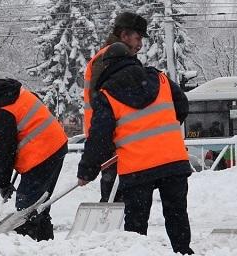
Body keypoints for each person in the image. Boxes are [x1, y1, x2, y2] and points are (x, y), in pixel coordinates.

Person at [77, 41, 194, 255]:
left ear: (108, 67)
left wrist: (87, 170)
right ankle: (183, 251)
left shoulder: (107, 95)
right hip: (173, 162)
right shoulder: (160, 78)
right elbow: (183, 106)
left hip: (137, 169)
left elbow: (99, 138)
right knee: (177, 214)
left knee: (136, 225)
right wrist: (162, 132)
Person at [0, 74, 67, 241]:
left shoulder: (2, 111)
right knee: (39, 206)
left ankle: (27, 245)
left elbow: (5, 150)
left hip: (42, 154)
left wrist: (3, 182)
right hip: (55, 145)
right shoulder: (14, 93)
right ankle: (46, 245)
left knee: (25, 210)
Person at [83, 12, 147, 202]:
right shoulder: (111, 60)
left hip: (111, 135)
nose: (140, 44)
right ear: (125, 35)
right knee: (116, 194)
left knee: (117, 191)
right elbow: (103, 101)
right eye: (138, 38)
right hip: (111, 137)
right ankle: (114, 229)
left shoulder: (113, 57)